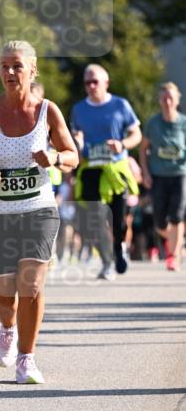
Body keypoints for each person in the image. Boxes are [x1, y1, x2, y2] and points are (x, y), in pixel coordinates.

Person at [0, 40, 78, 384]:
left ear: (32, 70)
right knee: (1, 290)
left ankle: (27, 359)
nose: (10, 72)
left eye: (17, 66)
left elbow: (72, 154)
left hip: (38, 207)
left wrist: (55, 158)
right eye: (4, 66)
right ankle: (7, 327)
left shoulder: (48, 111)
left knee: (30, 283)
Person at [70, 64, 141, 280]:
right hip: (91, 170)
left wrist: (122, 144)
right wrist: (77, 141)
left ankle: (120, 250)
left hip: (115, 170)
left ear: (106, 83)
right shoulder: (79, 109)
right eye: (87, 82)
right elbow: (74, 138)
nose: (91, 86)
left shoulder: (121, 105)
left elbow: (136, 134)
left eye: (95, 82)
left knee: (118, 220)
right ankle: (107, 261)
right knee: (95, 218)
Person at [140, 82, 186, 271]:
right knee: (159, 221)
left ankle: (173, 256)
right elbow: (143, 150)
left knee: (177, 215)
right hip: (158, 176)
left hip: (180, 174)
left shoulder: (183, 123)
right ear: (160, 100)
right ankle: (176, 239)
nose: (167, 101)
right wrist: (145, 172)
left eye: (171, 98)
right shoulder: (153, 123)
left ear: (177, 100)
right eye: (164, 98)